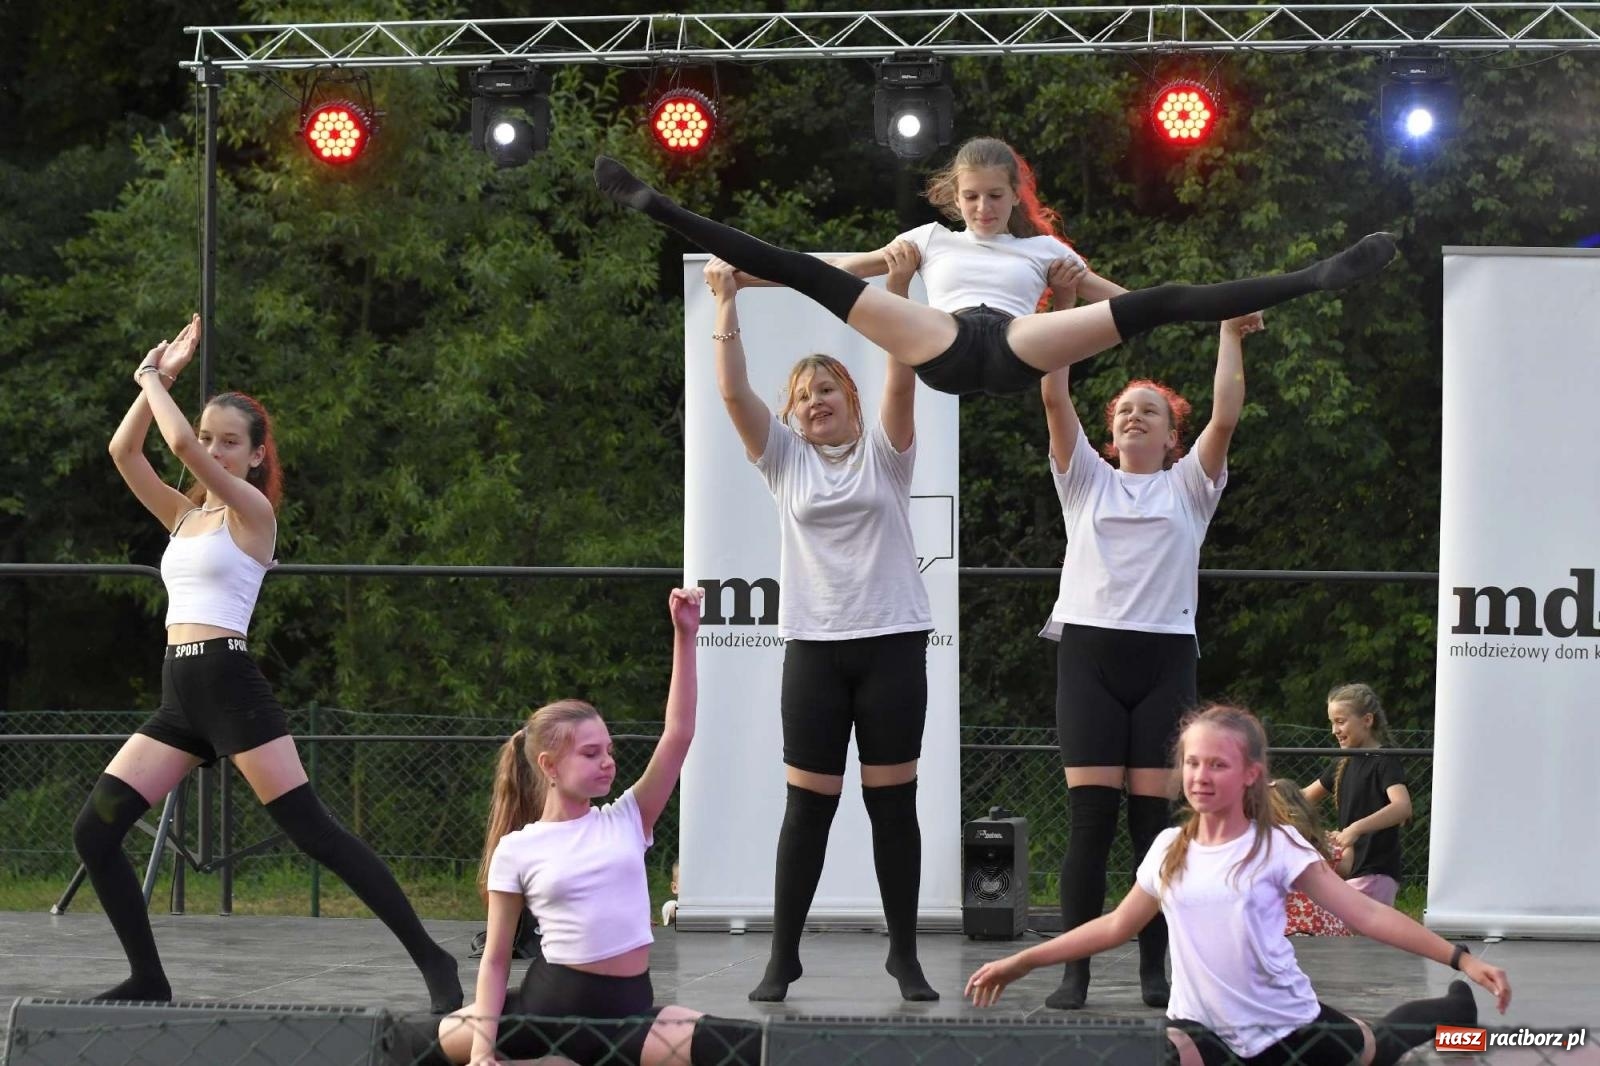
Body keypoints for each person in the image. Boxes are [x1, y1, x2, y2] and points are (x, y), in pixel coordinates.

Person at [84, 314, 461, 1012]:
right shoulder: (184, 518)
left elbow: (174, 443)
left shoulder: (252, 514)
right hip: (180, 700)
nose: (212, 450)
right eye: (208, 438)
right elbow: (124, 450)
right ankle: (149, 979)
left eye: (230, 442)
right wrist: (156, 383)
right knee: (97, 829)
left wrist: (150, 376)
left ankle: (434, 959)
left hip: (229, 687)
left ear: (257, 456)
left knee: (315, 832)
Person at [595, 137, 1396, 398]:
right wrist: (743, 278)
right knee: (811, 273)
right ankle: (660, 207)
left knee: (1167, 297)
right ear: (955, 197)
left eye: (993, 197)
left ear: (1016, 196)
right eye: (970, 197)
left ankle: (1317, 276)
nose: (981, 208)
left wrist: (1211, 310)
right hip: (942, 341)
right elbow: (838, 266)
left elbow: (1127, 300)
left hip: (1015, 345)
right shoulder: (929, 239)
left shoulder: (1046, 252)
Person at [964, 705, 1511, 1066]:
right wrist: (1024, 961)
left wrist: (1460, 959)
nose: (1201, 776)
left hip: (1284, 1028)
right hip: (1199, 1030)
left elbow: (1365, 914)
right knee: (1164, 1053)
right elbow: (1114, 926)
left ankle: (1454, 1014)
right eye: (1192, 763)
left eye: (1218, 765)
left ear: (1250, 773)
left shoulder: (1277, 846)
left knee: (1382, 1048)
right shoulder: (1168, 848)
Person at [704, 243, 939, 1003]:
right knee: (807, 808)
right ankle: (783, 958)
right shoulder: (783, 460)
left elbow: (902, 368)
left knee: (892, 805)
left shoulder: (887, 453)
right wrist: (726, 301)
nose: (814, 400)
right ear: (792, 414)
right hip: (815, 649)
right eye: (803, 394)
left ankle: (904, 956)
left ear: (851, 398)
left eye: (827, 387)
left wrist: (896, 282)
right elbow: (733, 393)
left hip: (891, 646)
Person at [1037, 294, 1264, 1010]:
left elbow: (1225, 416)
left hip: (1165, 660)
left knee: (1155, 829)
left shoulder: (1189, 488)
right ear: (1110, 433)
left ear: (1171, 437)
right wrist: (1063, 308)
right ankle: (1074, 972)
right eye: (1124, 411)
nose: (1135, 417)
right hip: (1089, 657)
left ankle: (1153, 972)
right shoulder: (1085, 480)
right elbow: (1053, 392)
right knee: (1089, 824)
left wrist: (1230, 332)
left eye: (1151, 412)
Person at [437, 587, 760, 1066]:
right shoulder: (518, 848)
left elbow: (678, 734)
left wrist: (685, 635)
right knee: (416, 1040)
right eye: (590, 754)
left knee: (748, 1047)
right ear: (549, 766)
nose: (607, 762)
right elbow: (497, 959)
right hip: (547, 1014)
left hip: (627, 1019)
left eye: (608, 750)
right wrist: (482, 1052)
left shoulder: (628, 818)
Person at [1302, 683, 1411, 906]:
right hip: (1353, 872)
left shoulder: (1384, 759)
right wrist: (1264, 798)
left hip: (1374, 873)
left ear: (1367, 720)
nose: (1334, 730)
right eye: (1332, 723)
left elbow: (1402, 807)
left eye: (1340, 722)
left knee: (1331, 920)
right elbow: (1302, 798)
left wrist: (1355, 829)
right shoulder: (1343, 761)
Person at [1268, 779, 1352, 937]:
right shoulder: (1319, 840)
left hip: (1287, 928)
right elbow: (1345, 867)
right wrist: (1347, 843)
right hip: (1325, 929)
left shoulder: (1266, 843)